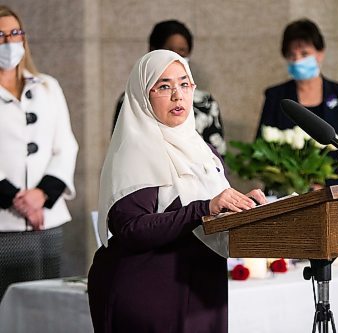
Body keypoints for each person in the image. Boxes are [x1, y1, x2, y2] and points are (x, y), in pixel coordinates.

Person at [88, 50, 266, 332]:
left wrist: (247, 207)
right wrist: (202, 208)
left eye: (184, 84)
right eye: (164, 86)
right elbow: (132, 229)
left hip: (203, 289)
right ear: (142, 95)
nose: (177, 95)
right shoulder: (135, 151)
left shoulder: (203, 151)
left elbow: (215, 209)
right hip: (149, 293)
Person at [0, 6, 78, 299]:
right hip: (3, 220)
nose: (10, 41)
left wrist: (42, 194)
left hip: (47, 218)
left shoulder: (47, 86)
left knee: (44, 303)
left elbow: (66, 146)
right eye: (1, 35)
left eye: (15, 33)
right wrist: (17, 199)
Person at [255, 19, 338, 185]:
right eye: (292, 55)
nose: (297, 61)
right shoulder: (275, 96)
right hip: (287, 193)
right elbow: (260, 147)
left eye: (304, 54)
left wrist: (324, 182)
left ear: (320, 53)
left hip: (332, 190)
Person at [113, 19, 226, 155]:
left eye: (182, 51)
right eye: (164, 87)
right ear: (153, 51)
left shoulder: (205, 102)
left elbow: (217, 153)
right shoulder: (132, 100)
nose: (177, 97)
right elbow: (121, 147)